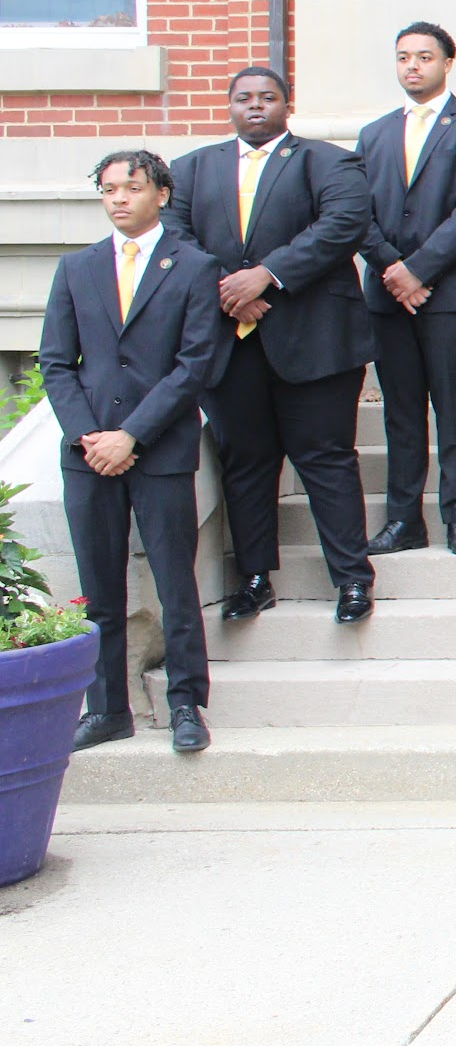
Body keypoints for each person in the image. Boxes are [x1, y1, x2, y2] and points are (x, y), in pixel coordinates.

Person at [166, 66, 376, 624]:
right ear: (229, 106)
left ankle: (352, 579)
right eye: (243, 98)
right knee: (246, 462)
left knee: (326, 460)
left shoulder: (328, 161)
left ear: (288, 104)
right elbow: (176, 237)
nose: (255, 106)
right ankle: (255, 579)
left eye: (267, 97)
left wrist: (268, 276)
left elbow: (345, 223)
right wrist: (232, 291)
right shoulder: (191, 169)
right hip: (231, 346)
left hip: (316, 340)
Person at [42, 150, 224, 753]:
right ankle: (106, 709)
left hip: (161, 450)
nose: (118, 198)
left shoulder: (195, 267)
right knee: (100, 590)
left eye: (131, 187)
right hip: (89, 454)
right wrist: (88, 435)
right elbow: (55, 363)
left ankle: (186, 705)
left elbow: (195, 364)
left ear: (162, 195)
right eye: (109, 189)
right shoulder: (76, 268)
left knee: (175, 583)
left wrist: (132, 435)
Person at [357, 22, 456, 557]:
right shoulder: (374, 134)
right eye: (403, 58)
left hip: (453, 294)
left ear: (447, 63)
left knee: (453, 407)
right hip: (388, 295)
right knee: (400, 411)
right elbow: (357, 213)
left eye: (423, 57)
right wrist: (392, 269)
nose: (413, 66)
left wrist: (417, 270)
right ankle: (403, 521)